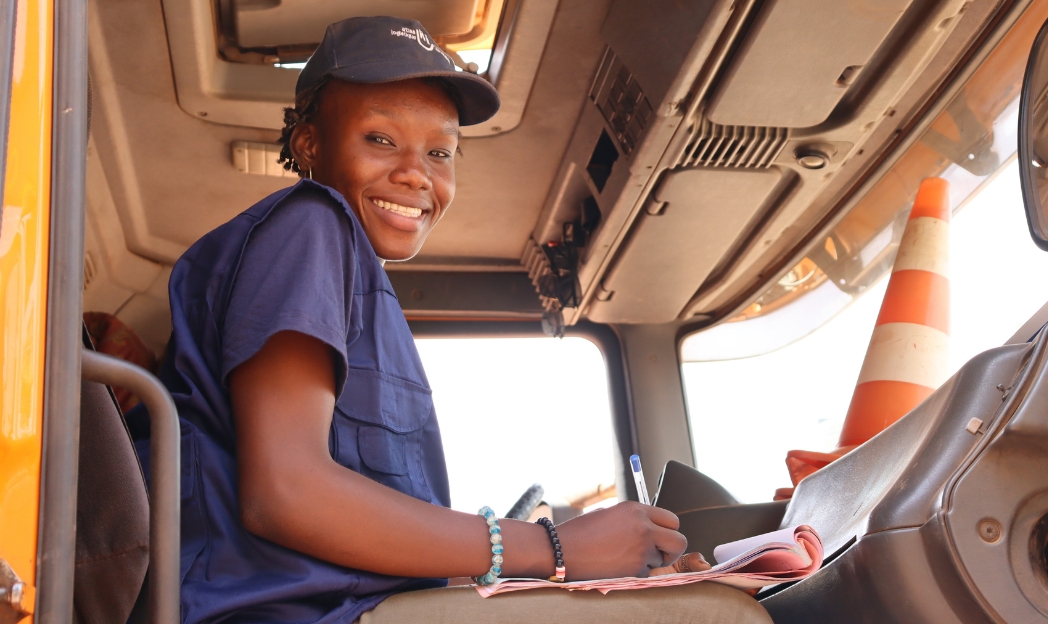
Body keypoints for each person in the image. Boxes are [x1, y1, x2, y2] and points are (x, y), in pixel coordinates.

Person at [131, 16, 771, 624]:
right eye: (380, 139)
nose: (416, 173)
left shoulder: (349, 272)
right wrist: (552, 548)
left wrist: (587, 566)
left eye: (441, 152)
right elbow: (285, 493)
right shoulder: (310, 226)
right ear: (309, 142)